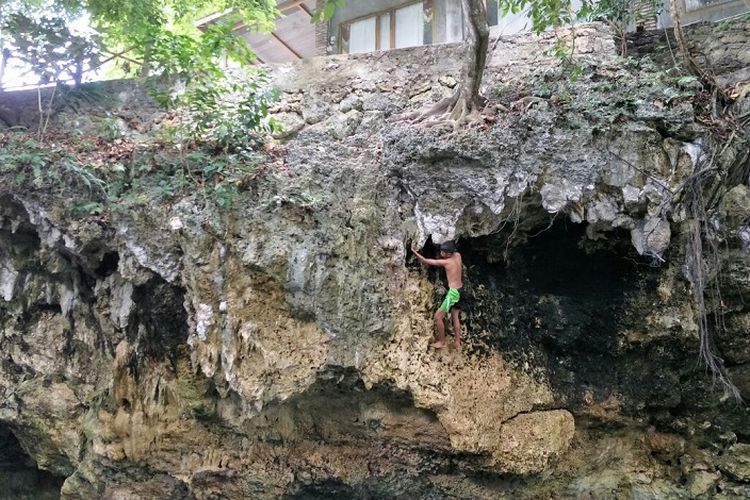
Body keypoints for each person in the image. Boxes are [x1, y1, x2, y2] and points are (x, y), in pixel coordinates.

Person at [410, 240, 463, 349]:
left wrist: (413, 251)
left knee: (438, 317)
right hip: (461, 289)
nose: (441, 253)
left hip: (453, 294)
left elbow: (426, 261)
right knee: (455, 316)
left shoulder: (447, 262)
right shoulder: (458, 255)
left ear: (448, 254)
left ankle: (442, 342)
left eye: (443, 252)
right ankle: (457, 342)